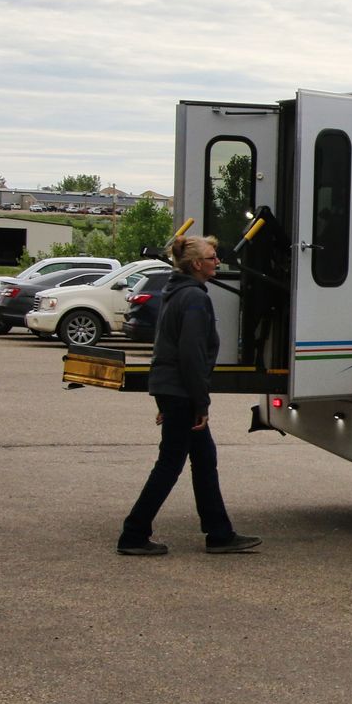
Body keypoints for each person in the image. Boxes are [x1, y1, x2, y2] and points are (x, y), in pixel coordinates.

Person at [116, 234, 260, 556]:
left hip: (172, 389)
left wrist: (164, 397)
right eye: (212, 257)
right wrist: (200, 402)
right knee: (170, 463)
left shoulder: (175, 291)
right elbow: (191, 354)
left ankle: (219, 533)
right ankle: (134, 533)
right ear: (197, 264)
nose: (217, 261)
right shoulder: (194, 298)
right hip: (182, 391)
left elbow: (166, 347)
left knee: (204, 458)